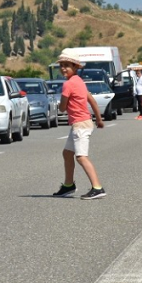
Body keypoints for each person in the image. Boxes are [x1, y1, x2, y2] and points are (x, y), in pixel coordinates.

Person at [52, 48, 106, 200]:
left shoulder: (68, 84)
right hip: (83, 122)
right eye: (61, 65)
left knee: (81, 156)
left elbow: (62, 108)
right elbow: (92, 101)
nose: (63, 68)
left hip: (80, 124)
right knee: (67, 153)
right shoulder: (80, 82)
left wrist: (61, 104)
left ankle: (97, 187)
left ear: (75, 67)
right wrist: (99, 119)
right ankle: (69, 185)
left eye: (67, 65)